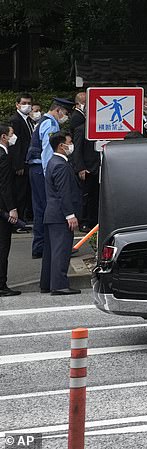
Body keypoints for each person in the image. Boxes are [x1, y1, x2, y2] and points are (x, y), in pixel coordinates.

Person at [26, 98, 73, 259]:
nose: (65, 116)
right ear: (58, 110)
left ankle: (43, 245)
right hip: (41, 169)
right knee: (45, 208)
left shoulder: (43, 122)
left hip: (36, 169)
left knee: (41, 207)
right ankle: (43, 245)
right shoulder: (50, 124)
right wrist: (50, 177)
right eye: (65, 113)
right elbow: (48, 153)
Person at [41, 132, 82, 295]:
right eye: (69, 143)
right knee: (61, 250)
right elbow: (63, 193)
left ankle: (47, 283)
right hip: (60, 215)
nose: (71, 146)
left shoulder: (53, 162)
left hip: (52, 213)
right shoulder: (61, 165)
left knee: (51, 251)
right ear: (61, 145)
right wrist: (70, 215)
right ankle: (59, 285)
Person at [69, 92, 100, 230]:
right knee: (85, 197)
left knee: (96, 196)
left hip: (99, 168)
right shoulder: (81, 129)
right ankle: (84, 221)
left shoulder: (101, 129)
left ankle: (94, 220)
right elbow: (77, 150)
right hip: (87, 168)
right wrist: (80, 167)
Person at [0, 124, 21, 296]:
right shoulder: (3, 157)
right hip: (2, 210)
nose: (13, 137)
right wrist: (12, 209)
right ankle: (1, 285)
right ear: (3, 137)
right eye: (11, 134)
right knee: (3, 246)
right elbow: (5, 186)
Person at [8, 92, 34, 228]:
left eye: (29, 103)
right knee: (19, 191)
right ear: (17, 105)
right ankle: (17, 221)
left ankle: (24, 217)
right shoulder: (16, 120)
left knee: (25, 191)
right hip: (21, 163)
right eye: (24, 103)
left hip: (27, 161)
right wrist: (18, 164)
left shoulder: (28, 120)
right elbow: (15, 144)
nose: (27, 106)